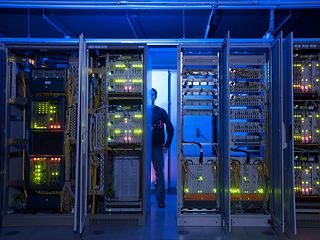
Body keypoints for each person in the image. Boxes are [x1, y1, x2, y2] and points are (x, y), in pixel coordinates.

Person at [151, 88, 174, 208]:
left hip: (157, 147)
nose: (151, 96)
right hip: (144, 147)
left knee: (159, 173)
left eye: (153, 94)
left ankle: (160, 201)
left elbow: (170, 128)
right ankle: (143, 200)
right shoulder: (142, 111)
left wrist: (167, 145)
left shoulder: (161, 112)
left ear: (156, 96)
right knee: (141, 173)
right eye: (149, 94)